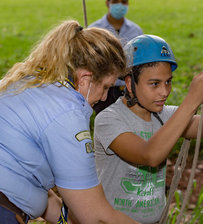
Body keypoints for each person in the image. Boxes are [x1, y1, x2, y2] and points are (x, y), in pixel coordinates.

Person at [0, 20, 139, 224]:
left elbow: (33, 185)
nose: (103, 97)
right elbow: (96, 217)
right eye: (106, 87)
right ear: (84, 78)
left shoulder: (31, 82)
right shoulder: (66, 113)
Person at [94, 34, 203, 223]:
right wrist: (192, 100)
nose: (164, 92)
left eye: (168, 82)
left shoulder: (165, 115)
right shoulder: (108, 120)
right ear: (130, 84)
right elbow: (149, 155)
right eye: (155, 84)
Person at [89, 0, 143, 114]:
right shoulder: (94, 29)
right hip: (104, 89)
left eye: (124, 2)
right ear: (107, 3)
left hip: (128, 88)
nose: (120, 5)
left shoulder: (136, 30)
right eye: (115, 1)